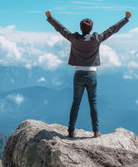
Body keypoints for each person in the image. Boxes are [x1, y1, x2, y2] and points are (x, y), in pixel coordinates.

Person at [46, 10, 131, 138]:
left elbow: (61, 29)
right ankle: (96, 131)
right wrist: (125, 19)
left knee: (76, 102)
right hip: (92, 74)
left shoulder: (74, 38)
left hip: (78, 74)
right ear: (91, 28)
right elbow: (112, 30)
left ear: (80, 28)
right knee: (93, 103)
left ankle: (71, 130)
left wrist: (50, 17)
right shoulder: (96, 39)